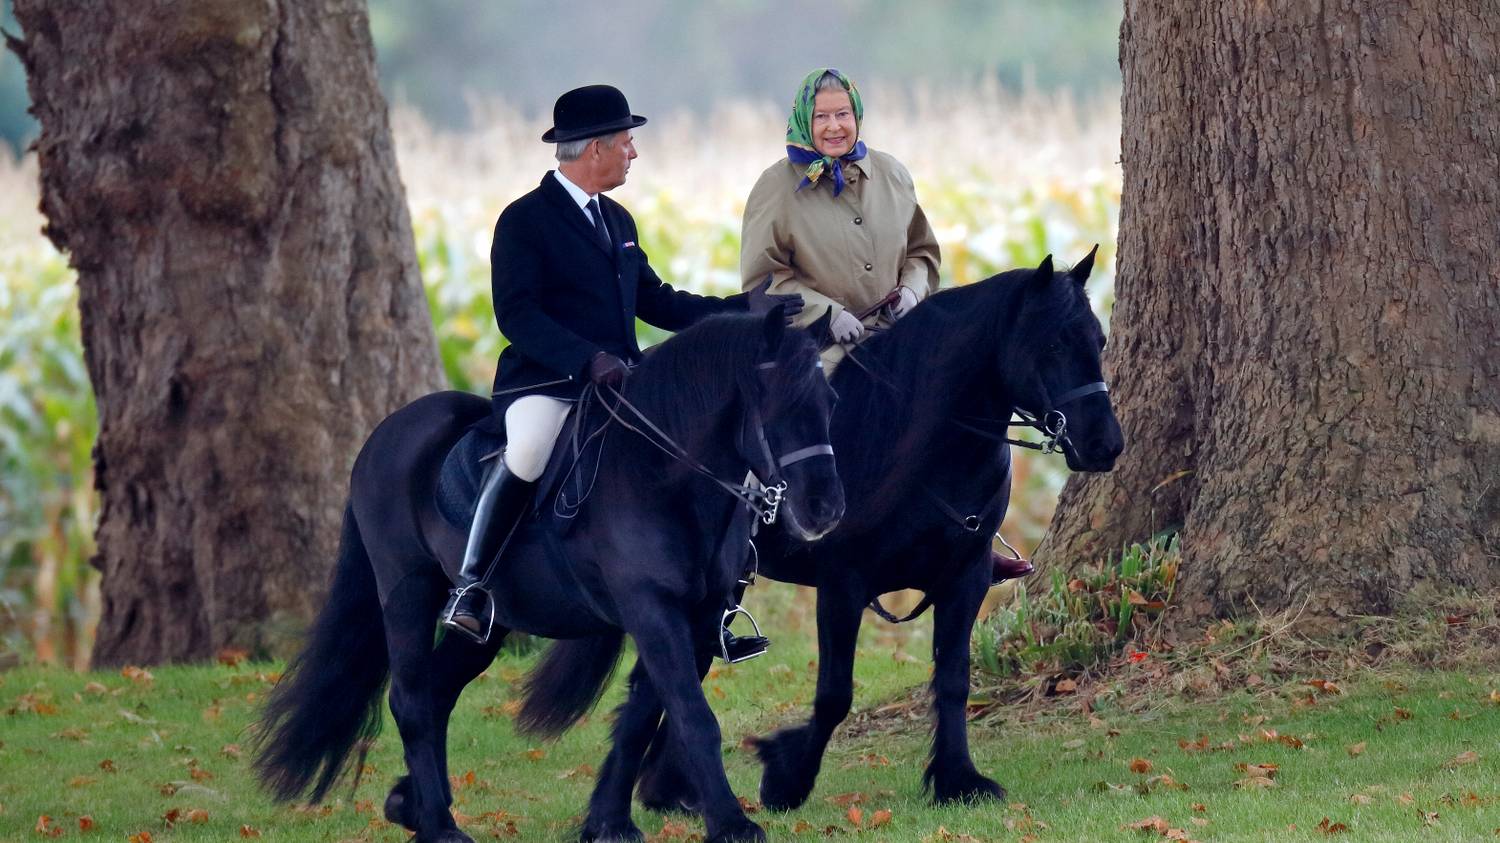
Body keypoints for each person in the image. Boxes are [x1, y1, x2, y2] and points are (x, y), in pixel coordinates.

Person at [443, 84, 802, 647]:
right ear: (594, 150)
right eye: (627, 143)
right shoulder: (523, 221)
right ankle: (473, 584)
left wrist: (744, 311)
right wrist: (587, 358)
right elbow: (516, 315)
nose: (633, 153)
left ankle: (719, 600)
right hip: (547, 384)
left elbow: (658, 301)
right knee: (530, 450)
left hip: (621, 383)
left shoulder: (617, 220)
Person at [739, 68, 1034, 586]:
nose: (834, 127)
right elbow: (763, 278)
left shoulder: (892, 173)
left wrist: (916, 291)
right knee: (809, 421)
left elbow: (922, 251)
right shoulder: (775, 188)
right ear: (804, 119)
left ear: (857, 116)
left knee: (962, 405)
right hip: (814, 344)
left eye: (843, 115)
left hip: (899, 337)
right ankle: (750, 536)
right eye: (823, 116)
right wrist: (828, 313)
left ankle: (974, 541)